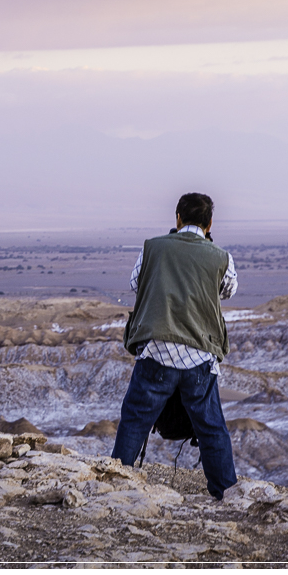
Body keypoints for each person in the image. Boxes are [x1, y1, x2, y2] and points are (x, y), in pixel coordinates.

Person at [110, 192, 238, 500]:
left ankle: (114, 483)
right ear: (209, 224)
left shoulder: (153, 248)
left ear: (177, 218)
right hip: (199, 355)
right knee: (210, 427)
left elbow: (135, 283)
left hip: (156, 351)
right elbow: (229, 290)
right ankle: (225, 491)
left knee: (135, 419)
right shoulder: (220, 256)